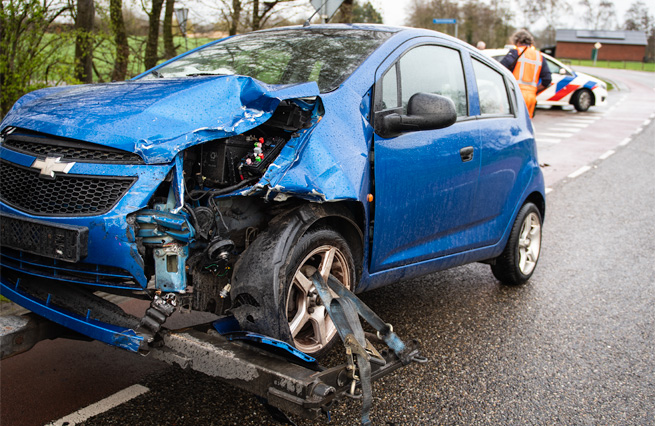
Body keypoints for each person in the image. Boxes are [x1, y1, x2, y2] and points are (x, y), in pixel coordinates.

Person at [500, 29, 551, 118]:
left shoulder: (516, 52)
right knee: (526, 124)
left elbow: (501, 68)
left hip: (514, 94)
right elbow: (547, 80)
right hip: (531, 97)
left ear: (518, 41)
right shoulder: (539, 56)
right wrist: (534, 90)